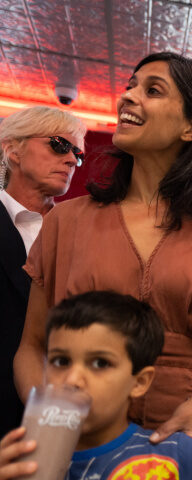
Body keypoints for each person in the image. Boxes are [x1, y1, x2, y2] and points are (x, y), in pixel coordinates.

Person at [13, 52, 192, 473]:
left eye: (152, 90)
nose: (128, 97)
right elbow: (31, 347)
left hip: (190, 430)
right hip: (79, 435)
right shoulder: (66, 220)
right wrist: (51, 419)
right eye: (130, 86)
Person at [0, 291, 192, 480]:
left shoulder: (176, 455)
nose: (72, 379)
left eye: (100, 363)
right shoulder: (23, 461)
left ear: (139, 382)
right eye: (61, 361)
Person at [0, 106, 86, 438]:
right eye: (59, 145)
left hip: (66, 416)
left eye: (76, 154)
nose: (71, 160)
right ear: (13, 149)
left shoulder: (81, 231)